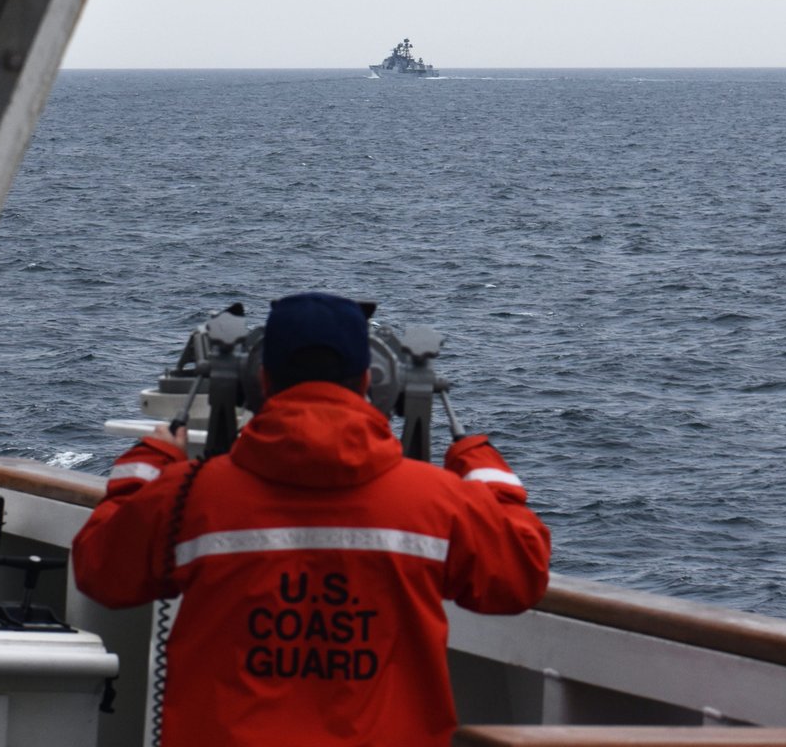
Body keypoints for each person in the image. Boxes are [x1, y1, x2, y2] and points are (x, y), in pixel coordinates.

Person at [72, 291, 551, 747]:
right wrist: (483, 468)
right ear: (371, 382)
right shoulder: (438, 503)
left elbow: (103, 571)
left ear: (257, 382)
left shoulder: (189, 498)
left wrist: (145, 470)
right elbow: (519, 578)